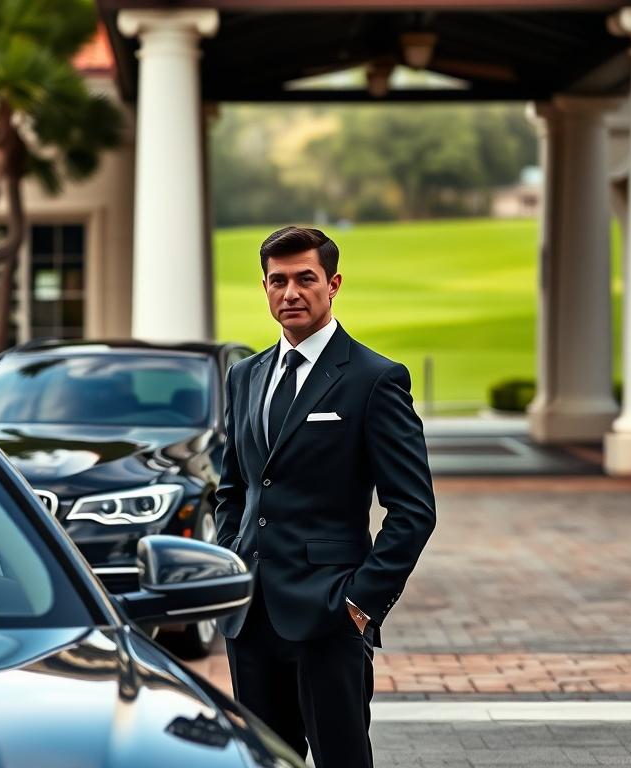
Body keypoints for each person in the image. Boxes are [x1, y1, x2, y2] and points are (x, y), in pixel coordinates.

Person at [215, 225, 436, 768]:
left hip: (330, 617)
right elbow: (233, 488)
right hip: (251, 619)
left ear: (332, 284)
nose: (290, 292)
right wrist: (235, 564)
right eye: (278, 280)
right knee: (263, 761)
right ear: (265, 287)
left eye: (305, 279)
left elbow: (413, 509)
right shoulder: (245, 376)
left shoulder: (374, 378)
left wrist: (360, 605)